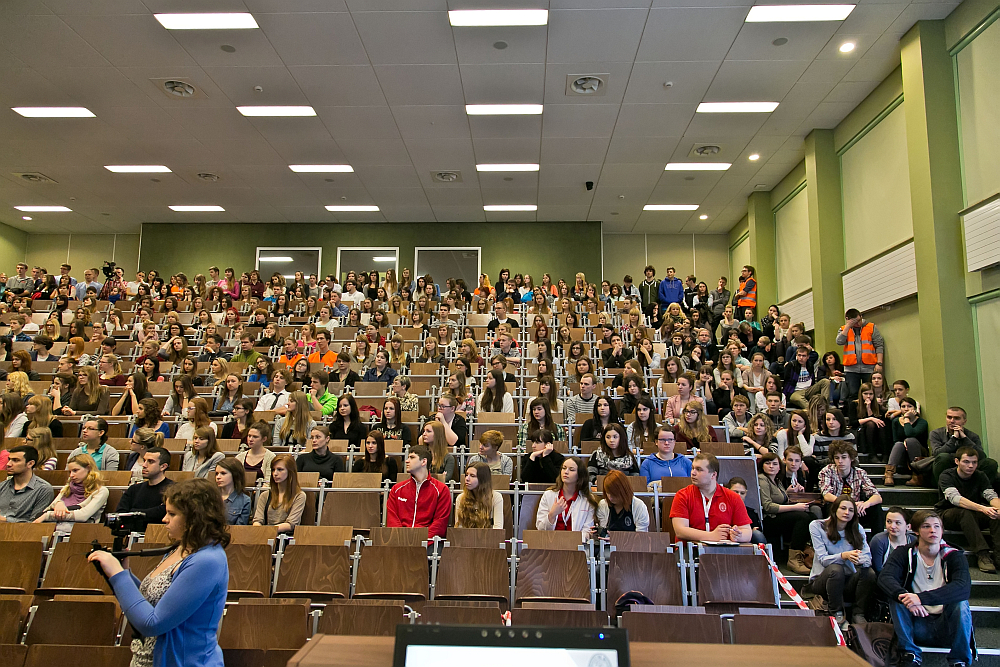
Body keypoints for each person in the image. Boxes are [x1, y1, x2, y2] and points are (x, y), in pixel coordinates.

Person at [88, 477, 230, 667]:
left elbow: (153, 624)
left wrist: (118, 575)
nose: (164, 519)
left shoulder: (207, 560)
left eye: (172, 514)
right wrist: (124, 572)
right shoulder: (180, 548)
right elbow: (151, 601)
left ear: (195, 517)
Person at [878, 510, 973, 667]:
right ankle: (910, 654)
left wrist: (920, 598)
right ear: (916, 531)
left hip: (946, 625)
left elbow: (962, 587)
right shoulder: (903, 553)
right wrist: (906, 597)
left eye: (937, 526)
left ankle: (959, 660)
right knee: (898, 598)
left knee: (961, 602)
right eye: (926, 526)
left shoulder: (955, 556)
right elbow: (885, 578)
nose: (932, 530)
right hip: (917, 623)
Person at [807, 496, 876, 629]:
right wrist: (844, 556)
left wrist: (860, 559)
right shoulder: (817, 526)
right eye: (843, 508)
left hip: (847, 580)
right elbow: (823, 559)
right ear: (835, 510)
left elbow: (868, 557)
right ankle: (837, 613)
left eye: (851, 510)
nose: (846, 513)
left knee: (869, 572)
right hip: (823, 580)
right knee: (836, 569)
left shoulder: (857, 528)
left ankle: (859, 614)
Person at [936, 446, 1000, 574]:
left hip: (974, 514)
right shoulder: (947, 475)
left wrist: (998, 509)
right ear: (957, 461)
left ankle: (998, 555)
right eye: (966, 462)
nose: (971, 466)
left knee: (995, 512)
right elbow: (956, 499)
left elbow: (991, 495)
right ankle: (982, 554)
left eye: (974, 462)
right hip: (948, 513)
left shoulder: (980, 475)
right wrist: (982, 508)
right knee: (965, 512)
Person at [670, 452, 752, 543]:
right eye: (693, 468)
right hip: (691, 549)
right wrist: (711, 536)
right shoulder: (683, 495)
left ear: (713, 475)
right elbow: (680, 531)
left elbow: (747, 532)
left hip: (724, 549)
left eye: (699, 469)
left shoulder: (733, 497)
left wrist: (738, 536)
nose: (693, 473)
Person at [758, 452, 817, 574]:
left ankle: (805, 551)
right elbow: (768, 506)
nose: (771, 466)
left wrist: (791, 494)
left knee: (812, 516)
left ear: (779, 467)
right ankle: (794, 559)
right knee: (802, 518)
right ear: (762, 466)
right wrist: (795, 507)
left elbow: (783, 500)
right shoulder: (762, 479)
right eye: (768, 463)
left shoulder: (776, 480)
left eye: (775, 464)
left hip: (778, 516)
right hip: (769, 518)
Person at [386, 445, 452, 539]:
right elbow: (392, 520)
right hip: (400, 541)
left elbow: (439, 524)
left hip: (428, 542)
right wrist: (402, 539)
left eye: (412, 457)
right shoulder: (396, 489)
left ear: (424, 461)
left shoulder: (441, 490)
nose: (407, 461)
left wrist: (420, 541)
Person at [819, 440, 883, 533]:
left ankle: (878, 539)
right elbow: (827, 495)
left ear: (851, 458)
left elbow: (877, 497)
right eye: (837, 458)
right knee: (831, 506)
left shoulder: (860, 473)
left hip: (855, 510)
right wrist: (848, 504)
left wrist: (865, 504)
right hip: (837, 507)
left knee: (876, 507)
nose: (840, 461)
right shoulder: (827, 471)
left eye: (844, 457)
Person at [34, 452, 109, 531]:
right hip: (54, 528)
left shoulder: (101, 491)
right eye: (70, 472)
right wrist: (59, 503)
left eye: (75, 470)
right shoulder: (67, 488)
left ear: (88, 468)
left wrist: (48, 516)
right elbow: (47, 509)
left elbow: (83, 516)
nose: (71, 475)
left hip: (80, 531)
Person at [930, 406, 996, 486]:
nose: (952, 421)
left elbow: (981, 456)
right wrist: (954, 438)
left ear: (964, 421)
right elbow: (937, 453)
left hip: (968, 466)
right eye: (949, 417)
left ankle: (977, 489)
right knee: (943, 457)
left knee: (990, 463)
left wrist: (964, 438)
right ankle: (945, 488)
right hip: (948, 466)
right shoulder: (936, 433)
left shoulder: (973, 436)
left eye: (956, 418)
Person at [536, 456, 598, 539]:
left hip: (576, 544)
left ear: (580, 475)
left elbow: (587, 531)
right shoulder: (548, 495)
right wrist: (552, 514)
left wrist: (569, 541)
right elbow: (540, 528)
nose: (566, 472)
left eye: (571, 470)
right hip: (551, 542)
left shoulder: (588, 500)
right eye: (564, 468)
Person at [116, 447, 175, 530]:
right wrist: (149, 513)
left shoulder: (173, 490)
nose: (144, 465)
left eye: (150, 461)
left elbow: (163, 513)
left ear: (163, 466)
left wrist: (133, 512)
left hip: (159, 533)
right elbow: (120, 514)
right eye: (144, 460)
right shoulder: (134, 489)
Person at [836, 308, 884, 401]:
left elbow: (879, 345)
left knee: (870, 393)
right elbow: (839, 342)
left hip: (869, 367)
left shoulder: (871, 327)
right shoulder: (843, 329)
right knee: (853, 394)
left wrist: (879, 363)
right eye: (855, 322)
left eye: (859, 320)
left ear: (861, 316)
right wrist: (848, 326)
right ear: (848, 320)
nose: (858, 323)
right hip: (851, 368)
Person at [252, 454, 305, 534]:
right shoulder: (265, 495)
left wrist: (268, 530)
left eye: (280, 469)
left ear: (290, 471)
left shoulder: (299, 496)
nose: (275, 473)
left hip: (285, 536)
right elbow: (257, 520)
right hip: (264, 535)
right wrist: (259, 531)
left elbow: (291, 524)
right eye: (273, 470)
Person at [0, 445, 55, 523]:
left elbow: (36, 523)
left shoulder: (43, 489)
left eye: (15, 460)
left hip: (23, 530)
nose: (8, 464)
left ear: (30, 464)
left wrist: (5, 520)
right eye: (9, 459)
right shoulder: (2, 486)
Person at [886, 397, 930, 487]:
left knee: (910, 440)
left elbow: (910, 434)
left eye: (909, 406)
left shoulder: (922, 422)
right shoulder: (896, 421)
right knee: (898, 444)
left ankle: (916, 475)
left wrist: (906, 419)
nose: (906, 409)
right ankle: (888, 474)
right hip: (902, 453)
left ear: (915, 408)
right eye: (903, 406)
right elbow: (895, 440)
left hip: (918, 455)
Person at [595, 469, 649, 534]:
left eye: (614, 494)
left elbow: (641, 536)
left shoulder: (639, 506)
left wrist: (615, 538)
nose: (610, 498)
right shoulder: (603, 505)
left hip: (633, 540)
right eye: (608, 493)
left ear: (623, 492)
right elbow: (604, 532)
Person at [455, 461, 503, 529]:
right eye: (466, 475)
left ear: (482, 479)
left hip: (489, 535)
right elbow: (459, 528)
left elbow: (498, 528)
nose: (467, 479)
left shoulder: (496, 497)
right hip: (466, 535)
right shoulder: (461, 498)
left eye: (472, 476)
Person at [871, 507, 914, 575]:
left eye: (898, 523)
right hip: (885, 578)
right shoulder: (879, 541)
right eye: (889, 521)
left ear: (908, 527)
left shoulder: (913, 541)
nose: (892, 526)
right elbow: (878, 569)